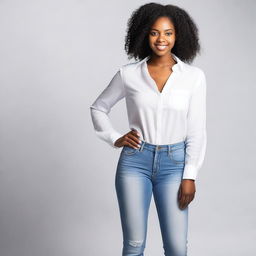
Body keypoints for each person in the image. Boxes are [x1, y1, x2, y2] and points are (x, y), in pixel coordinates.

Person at [89, 3, 207, 256]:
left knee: (176, 247)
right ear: (145, 34)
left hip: (175, 164)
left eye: (168, 32)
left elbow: (197, 129)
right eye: (154, 32)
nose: (161, 39)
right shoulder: (128, 74)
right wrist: (114, 138)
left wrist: (190, 175)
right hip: (135, 162)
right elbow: (98, 108)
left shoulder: (193, 77)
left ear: (178, 36)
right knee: (133, 245)